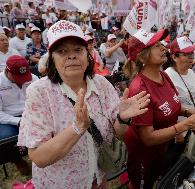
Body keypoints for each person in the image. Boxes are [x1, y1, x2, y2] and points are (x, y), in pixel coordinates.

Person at [17, 20, 150, 189]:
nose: (71, 56)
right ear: (52, 58)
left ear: (87, 55)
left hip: (98, 178)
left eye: (78, 50)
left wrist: (122, 119)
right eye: (62, 51)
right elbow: (39, 157)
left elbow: (117, 131)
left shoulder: (101, 84)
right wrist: (78, 128)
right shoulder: (39, 92)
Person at [123, 29, 195, 189]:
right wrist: (186, 124)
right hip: (143, 155)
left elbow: (172, 104)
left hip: (162, 147)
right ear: (143, 56)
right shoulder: (140, 88)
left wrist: (188, 112)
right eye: (156, 46)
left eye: (161, 44)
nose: (164, 48)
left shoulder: (164, 76)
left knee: (158, 180)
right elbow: (147, 138)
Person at [0, 55, 38, 174]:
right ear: (7, 71)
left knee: (50, 129)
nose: (22, 81)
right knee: (5, 139)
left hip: (32, 113)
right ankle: (17, 160)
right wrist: (18, 121)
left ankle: (40, 156)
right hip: (8, 118)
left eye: (24, 76)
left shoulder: (33, 78)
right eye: (17, 77)